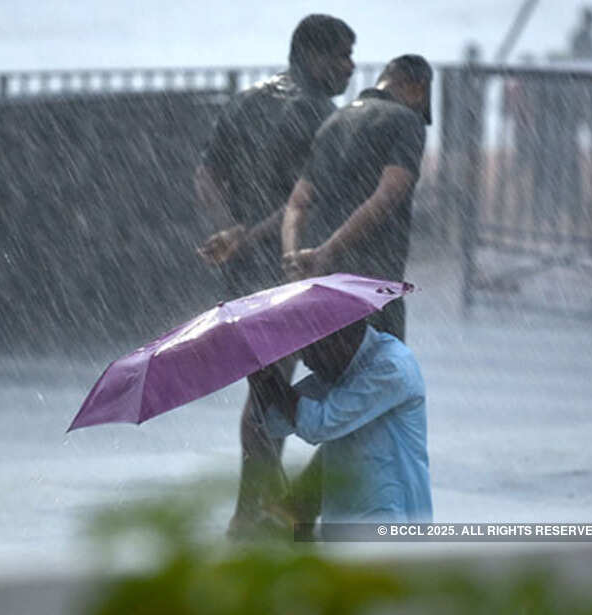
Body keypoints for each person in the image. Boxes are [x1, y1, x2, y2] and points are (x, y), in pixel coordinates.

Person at [193, 14, 356, 534]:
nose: (350, 67)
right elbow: (301, 200)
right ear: (312, 56)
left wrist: (231, 231)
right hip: (294, 268)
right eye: (342, 55)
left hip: (245, 274)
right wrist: (256, 236)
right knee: (354, 388)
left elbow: (206, 175)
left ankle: (253, 511)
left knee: (265, 392)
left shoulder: (246, 100)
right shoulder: (318, 114)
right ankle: (280, 512)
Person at [281, 55, 432, 342]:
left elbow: (297, 203)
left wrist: (292, 258)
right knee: (383, 375)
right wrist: (329, 251)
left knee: (332, 377)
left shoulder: (336, 121)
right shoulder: (406, 121)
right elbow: (387, 196)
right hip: (372, 285)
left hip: (325, 289)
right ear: (419, 88)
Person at [249, 319, 432, 524]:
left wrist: (274, 383)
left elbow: (319, 424)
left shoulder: (390, 366)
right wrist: (262, 381)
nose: (307, 362)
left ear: (340, 339)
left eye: (311, 351)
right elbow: (275, 422)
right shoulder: (336, 365)